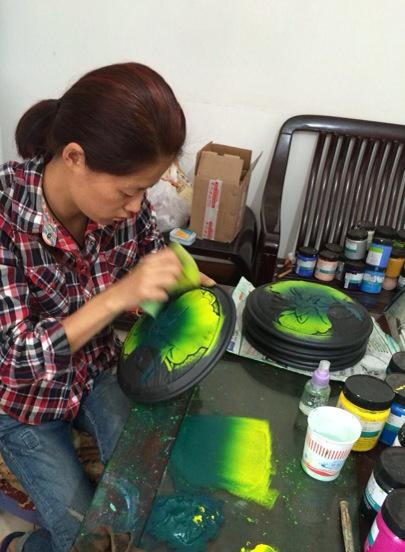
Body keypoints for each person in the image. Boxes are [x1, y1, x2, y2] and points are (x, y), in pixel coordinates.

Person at [0, 62, 214, 552]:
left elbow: (148, 251)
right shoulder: (6, 217)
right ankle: (20, 546)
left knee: (154, 487)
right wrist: (117, 295)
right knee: (89, 538)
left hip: (96, 372)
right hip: (23, 405)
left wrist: (180, 279)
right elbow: (15, 360)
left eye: (146, 189)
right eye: (129, 190)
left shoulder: (120, 212)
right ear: (75, 157)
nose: (137, 206)